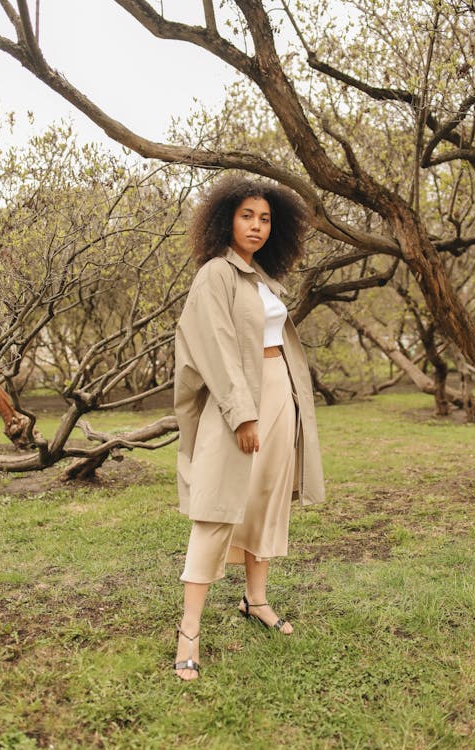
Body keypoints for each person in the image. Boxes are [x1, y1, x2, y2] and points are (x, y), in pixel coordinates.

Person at [173, 174, 325, 680]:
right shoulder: (215, 274)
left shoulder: (259, 276)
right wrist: (242, 413)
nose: (257, 226)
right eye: (247, 216)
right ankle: (188, 631)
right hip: (237, 401)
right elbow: (213, 348)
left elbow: (279, 341)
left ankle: (255, 600)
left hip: (281, 391)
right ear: (225, 219)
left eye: (264, 218)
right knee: (217, 507)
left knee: (266, 498)